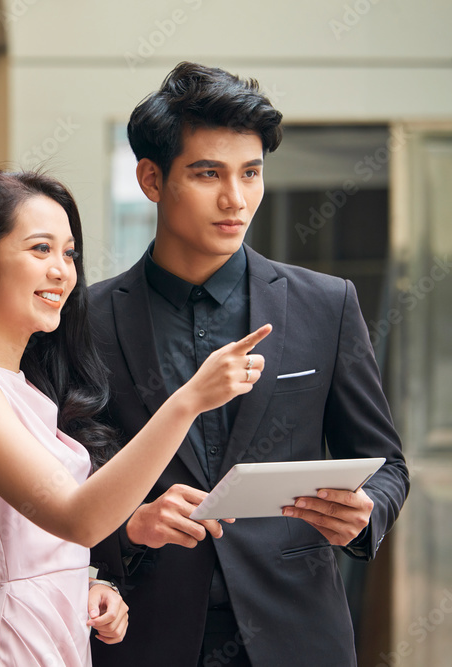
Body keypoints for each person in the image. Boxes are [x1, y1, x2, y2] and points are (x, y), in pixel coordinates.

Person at [87, 62, 410, 667]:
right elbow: (55, 491)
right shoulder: (85, 320)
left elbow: (388, 463)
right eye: (209, 174)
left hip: (296, 634)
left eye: (251, 173)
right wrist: (130, 526)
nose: (236, 199)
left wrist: (366, 514)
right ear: (151, 179)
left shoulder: (327, 304)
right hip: (141, 635)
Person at [0, 169, 272, 666]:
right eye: (39, 250)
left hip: (52, 634)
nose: (62, 271)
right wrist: (188, 401)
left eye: (68, 253)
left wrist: (87, 584)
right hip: (8, 643)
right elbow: (79, 518)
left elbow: (46, 535)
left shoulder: (20, 387)